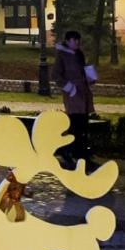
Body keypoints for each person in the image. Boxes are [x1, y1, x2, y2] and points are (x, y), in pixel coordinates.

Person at [49, 30, 96, 167]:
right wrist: (70, 88)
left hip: (83, 93)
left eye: (78, 40)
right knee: (75, 124)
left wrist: (90, 77)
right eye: (74, 40)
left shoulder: (79, 54)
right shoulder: (62, 56)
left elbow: (83, 71)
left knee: (83, 125)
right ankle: (68, 151)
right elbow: (56, 75)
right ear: (68, 41)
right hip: (73, 95)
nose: (76, 42)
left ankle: (80, 153)